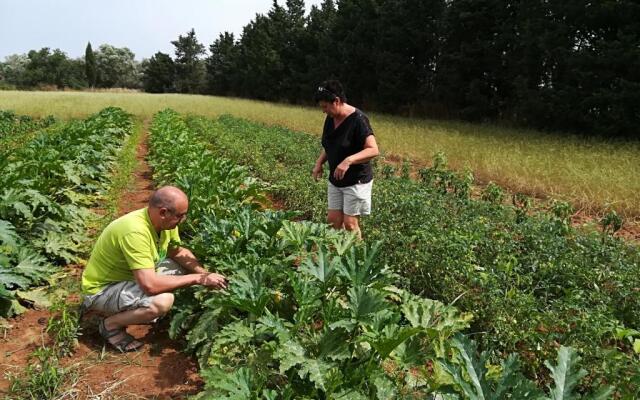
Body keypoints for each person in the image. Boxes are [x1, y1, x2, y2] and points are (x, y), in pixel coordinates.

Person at [80, 186, 227, 352]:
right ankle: (110, 325)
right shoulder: (135, 231)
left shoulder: (163, 224)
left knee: (180, 267)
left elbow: (177, 252)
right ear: (163, 212)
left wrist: (203, 273)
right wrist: (198, 279)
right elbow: (150, 286)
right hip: (102, 290)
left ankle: (130, 310)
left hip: (130, 278)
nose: (183, 220)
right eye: (180, 215)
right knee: (162, 302)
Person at [312, 80, 379, 239]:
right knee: (332, 221)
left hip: (356, 180)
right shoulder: (331, 118)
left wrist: (348, 161)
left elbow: (373, 150)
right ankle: (336, 255)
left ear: (336, 101)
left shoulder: (359, 120)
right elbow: (330, 145)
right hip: (336, 179)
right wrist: (319, 163)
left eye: (325, 106)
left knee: (350, 224)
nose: (323, 111)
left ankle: (356, 260)